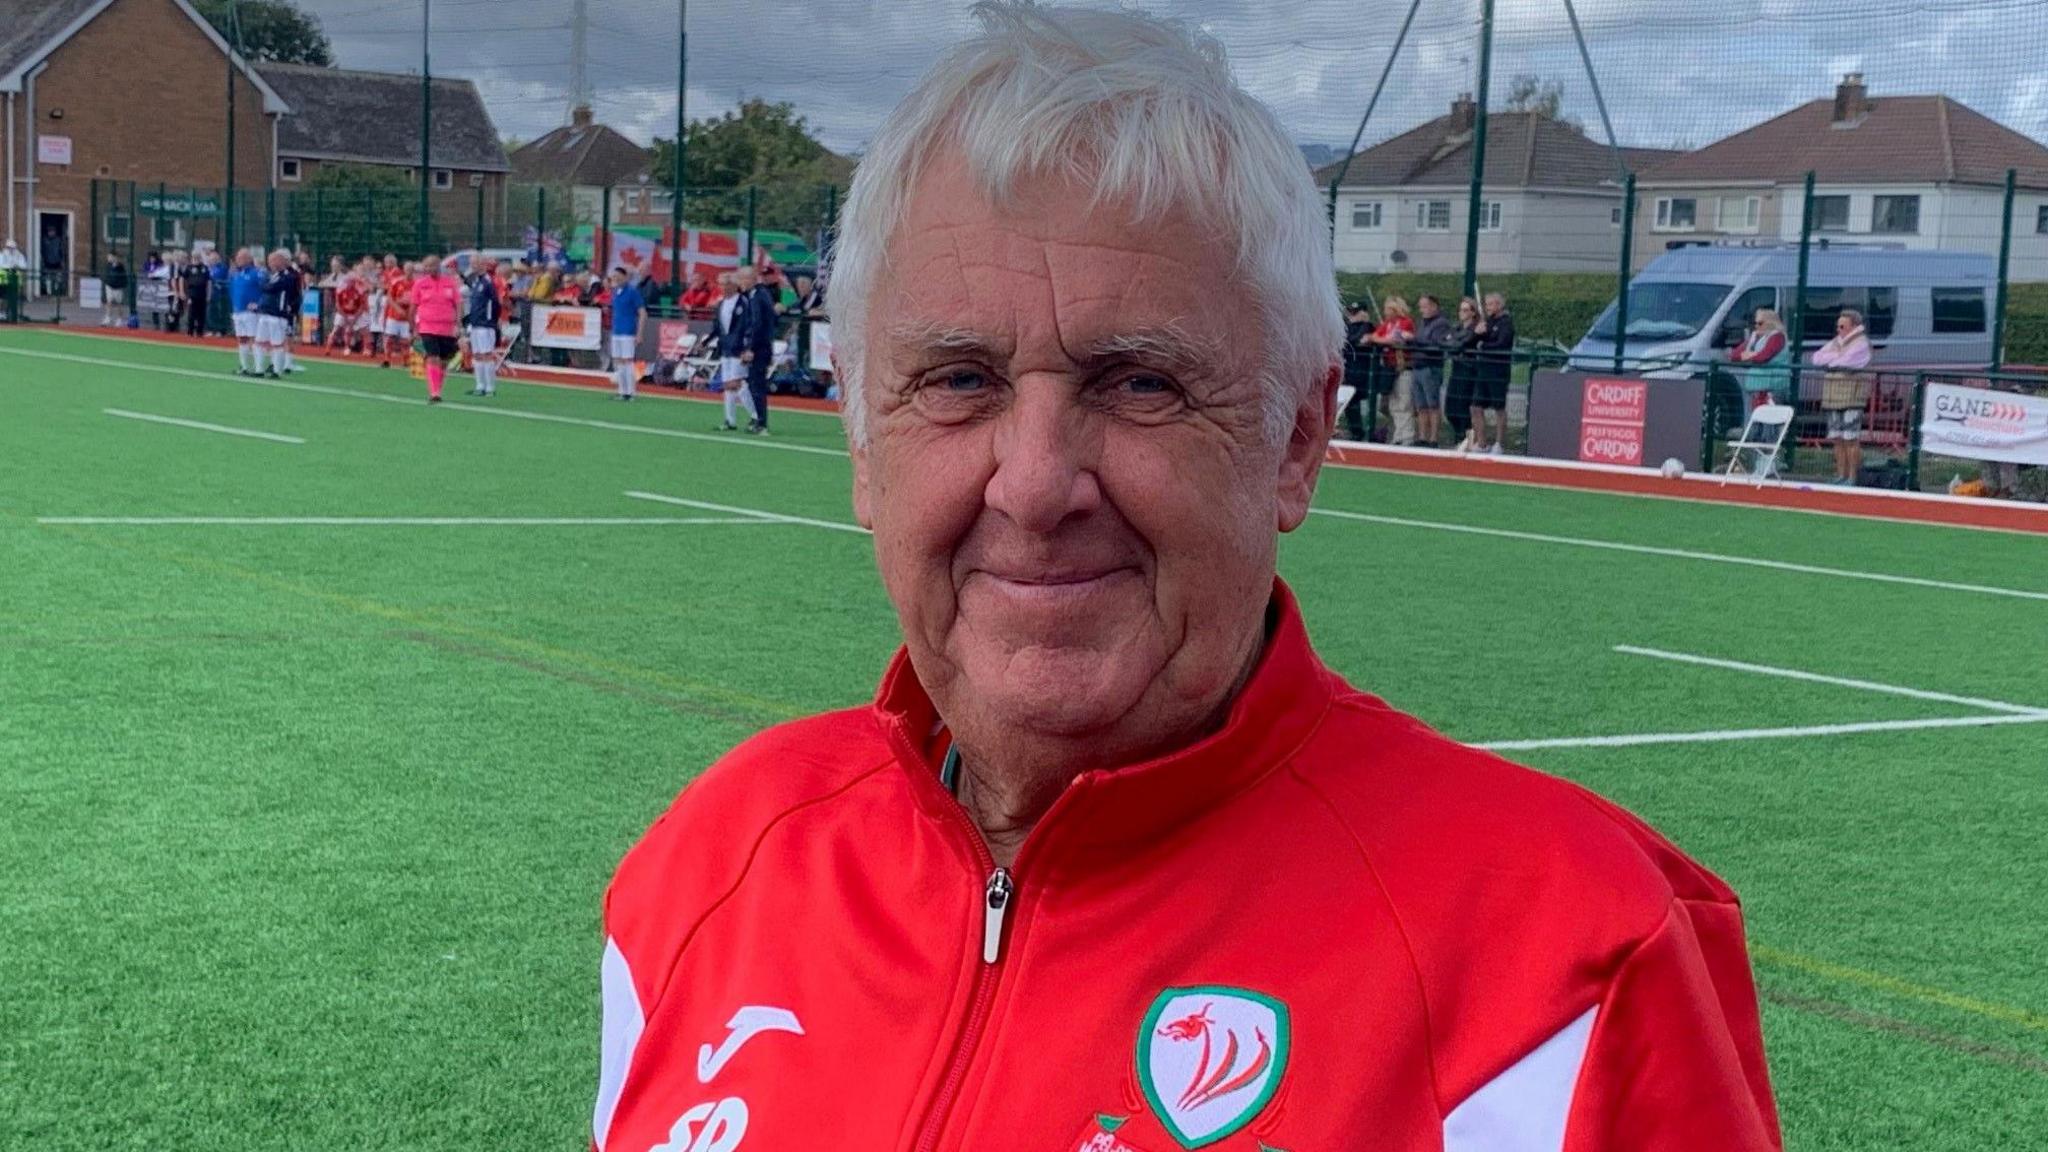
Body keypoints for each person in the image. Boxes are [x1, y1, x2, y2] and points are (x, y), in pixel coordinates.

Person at [591, 7, 1780, 1151]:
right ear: (861, 441)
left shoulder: (1566, 960)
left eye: (1137, 383)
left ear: (1296, 442)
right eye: (956, 380)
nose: (1033, 483)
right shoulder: (709, 865)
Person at [1812, 308, 1874, 485]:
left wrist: (1832, 359)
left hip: (1852, 397)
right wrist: (1835, 356)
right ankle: (1841, 475)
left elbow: (1846, 361)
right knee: (1836, 438)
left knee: (1850, 438)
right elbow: (1816, 358)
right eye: (1838, 326)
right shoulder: (1836, 342)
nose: (1838, 330)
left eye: (1842, 326)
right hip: (1833, 397)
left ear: (1854, 326)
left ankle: (1853, 477)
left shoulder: (1861, 343)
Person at [411, 254, 462, 404]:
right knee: (433, 357)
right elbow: (413, 307)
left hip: (447, 328)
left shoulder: (450, 283)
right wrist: (413, 327)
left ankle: (437, 388)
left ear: (438, 266)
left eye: (431, 265)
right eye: (426, 266)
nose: (428, 269)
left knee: (445, 360)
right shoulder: (420, 284)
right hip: (427, 327)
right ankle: (434, 392)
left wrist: (458, 323)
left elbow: (458, 304)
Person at [1368, 295, 1417, 445]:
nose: (1386, 312)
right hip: (1390, 367)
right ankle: (1398, 434)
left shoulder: (1405, 323)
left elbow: (1396, 339)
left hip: (1403, 367)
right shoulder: (1388, 324)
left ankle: (1406, 436)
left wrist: (1387, 339)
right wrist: (1385, 339)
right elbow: (1374, 336)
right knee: (1392, 403)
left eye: (1389, 309)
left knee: (1404, 402)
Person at [1472, 291, 1516, 455]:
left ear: (1499, 305)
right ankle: (1482, 443)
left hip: (1498, 371)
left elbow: (1502, 343)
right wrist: (1477, 333)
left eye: (1490, 304)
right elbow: (1474, 341)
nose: (1487, 307)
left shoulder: (1506, 323)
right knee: (1476, 407)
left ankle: (1499, 444)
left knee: (1499, 408)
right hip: (1483, 370)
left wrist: (1483, 345)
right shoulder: (1487, 322)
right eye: (1486, 304)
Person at [736, 263, 777, 434]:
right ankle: (758, 419)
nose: (741, 283)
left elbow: (758, 325)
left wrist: (750, 348)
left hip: (760, 348)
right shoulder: (757, 295)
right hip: (761, 346)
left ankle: (761, 422)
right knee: (753, 384)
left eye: (742, 279)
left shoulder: (759, 296)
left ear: (751, 279)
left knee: (756, 384)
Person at [1727, 307, 1791, 416]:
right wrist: (1751, 343)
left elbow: (1763, 357)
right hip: (1757, 386)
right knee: (1754, 422)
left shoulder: (1777, 337)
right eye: (1755, 323)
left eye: (1760, 323)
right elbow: (1734, 355)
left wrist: (1751, 354)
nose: (1756, 326)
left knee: (1769, 423)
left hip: (1772, 387)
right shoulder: (1757, 338)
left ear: (1770, 323)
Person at [713, 272, 755, 431]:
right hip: (726, 348)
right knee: (728, 385)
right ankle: (730, 420)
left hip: (738, 348)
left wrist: (747, 347)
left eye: (724, 284)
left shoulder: (743, 302)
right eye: (720, 284)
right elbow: (718, 327)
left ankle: (756, 415)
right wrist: (705, 342)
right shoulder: (721, 304)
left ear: (733, 285)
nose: (722, 287)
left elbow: (748, 325)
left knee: (737, 383)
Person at [1443, 296, 1483, 451]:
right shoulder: (1457, 328)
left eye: (1466, 310)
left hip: (1469, 371)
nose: (1462, 313)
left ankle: (1466, 441)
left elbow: (1462, 344)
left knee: (1462, 408)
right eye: (1461, 309)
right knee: (1450, 410)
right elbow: (1447, 343)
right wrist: (1454, 342)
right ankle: (1460, 437)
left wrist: (1457, 342)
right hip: (1456, 369)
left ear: (1473, 312)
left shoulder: (1476, 328)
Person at [1410, 294, 1449, 447]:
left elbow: (1435, 343)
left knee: (1432, 404)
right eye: (1421, 307)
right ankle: (1422, 437)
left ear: (1434, 306)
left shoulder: (1441, 323)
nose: (1422, 310)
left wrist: (1414, 339)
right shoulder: (1422, 323)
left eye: (1425, 306)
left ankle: (1433, 438)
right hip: (1418, 366)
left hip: (1431, 367)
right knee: (1421, 405)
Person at [254, 249, 299, 378]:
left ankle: (277, 370)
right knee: (260, 341)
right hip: (265, 312)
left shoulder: (288, 277)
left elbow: (270, 288)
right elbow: (265, 287)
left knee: (277, 343)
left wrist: (264, 284)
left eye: (274, 260)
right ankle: (259, 369)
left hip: (278, 315)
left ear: (282, 261)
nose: (271, 263)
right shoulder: (272, 276)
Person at [604, 267, 645, 401]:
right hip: (616, 331)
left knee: (628, 361)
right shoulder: (615, 292)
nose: (614, 279)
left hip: (628, 331)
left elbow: (642, 313)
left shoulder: (632, 292)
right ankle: (622, 391)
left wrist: (639, 333)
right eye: (613, 276)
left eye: (617, 276)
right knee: (619, 362)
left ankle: (631, 392)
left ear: (625, 276)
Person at [466, 258, 504, 397]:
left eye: (474, 263)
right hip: (475, 324)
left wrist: (491, 320)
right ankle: (479, 385)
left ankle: (490, 387)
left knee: (486, 354)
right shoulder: (477, 281)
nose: (472, 266)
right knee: (477, 355)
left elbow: (495, 303)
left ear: (482, 265)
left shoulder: (488, 282)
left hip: (485, 325)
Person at [1338, 300, 1375, 440]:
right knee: (1349, 402)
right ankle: (1355, 431)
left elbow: (1352, 341)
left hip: (1362, 370)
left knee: (1354, 399)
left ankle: (1361, 432)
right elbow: (1344, 340)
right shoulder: (1348, 327)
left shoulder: (1367, 326)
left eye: (1356, 312)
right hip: (1348, 369)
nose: (1352, 316)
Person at [227, 250, 264, 375]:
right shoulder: (236, 274)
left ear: (249, 259)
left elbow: (265, 289)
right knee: (242, 339)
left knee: (254, 339)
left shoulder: (256, 273)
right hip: (238, 312)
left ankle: (259, 368)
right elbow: (232, 292)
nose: (238, 260)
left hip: (251, 313)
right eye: (238, 257)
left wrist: (258, 304)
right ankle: (244, 367)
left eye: (241, 258)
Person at [381, 259, 414, 369]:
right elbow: (390, 298)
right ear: (404, 270)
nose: (409, 271)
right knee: (390, 337)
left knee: (405, 340)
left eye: (411, 270)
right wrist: (397, 308)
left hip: (407, 317)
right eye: (407, 269)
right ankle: (387, 360)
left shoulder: (416, 284)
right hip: (394, 315)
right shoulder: (396, 282)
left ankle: (405, 360)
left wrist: (411, 312)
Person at [329, 264, 369, 356]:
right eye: (349, 281)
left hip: (356, 312)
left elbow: (362, 305)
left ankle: (366, 349)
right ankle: (331, 348)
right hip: (343, 312)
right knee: (336, 329)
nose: (350, 283)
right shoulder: (340, 289)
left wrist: (355, 317)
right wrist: (345, 316)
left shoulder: (359, 289)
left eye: (352, 281)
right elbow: (338, 305)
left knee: (364, 329)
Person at [179, 254, 212, 339]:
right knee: (191, 314)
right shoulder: (189, 268)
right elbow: (182, 278)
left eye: (198, 258)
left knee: (202, 314)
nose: (196, 260)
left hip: (202, 294)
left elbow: (209, 282)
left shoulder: (204, 268)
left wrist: (209, 295)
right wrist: (182, 291)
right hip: (192, 294)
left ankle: (199, 332)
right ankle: (190, 332)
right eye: (195, 258)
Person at [101, 254, 129, 326]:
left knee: (118, 303)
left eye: (110, 257)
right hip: (109, 286)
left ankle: (120, 319)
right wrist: (106, 281)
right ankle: (108, 318)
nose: (109, 258)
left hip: (118, 287)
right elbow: (106, 275)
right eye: (108, 257)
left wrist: (116, 264)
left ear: (114, 257)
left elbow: (123, 276)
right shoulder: (108, 266)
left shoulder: (120, 266)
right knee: (109, 302)